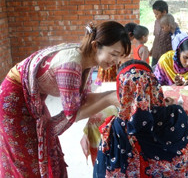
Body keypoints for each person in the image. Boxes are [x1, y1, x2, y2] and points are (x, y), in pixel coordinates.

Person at [0, 21, 131, 177]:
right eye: (114, 54)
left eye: (120, 57)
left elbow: (82, 99)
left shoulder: (86, 58)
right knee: (25, 155)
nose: (115, 62)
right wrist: (109, 99)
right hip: (13, 97)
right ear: (96, 46)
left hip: (32, 94)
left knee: (45, 148)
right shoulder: (71, 65)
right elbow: (72, 114)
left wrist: (112, 95)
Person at [93, 60, 188, 177]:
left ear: (123, 90)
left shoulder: (116, 130)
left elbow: (102, 170)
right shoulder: (177, 116)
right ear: (153, 85)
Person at [150, 0, 172, 67]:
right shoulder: (156, 22)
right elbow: (156, 38)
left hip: (165, 55)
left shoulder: (171, 23)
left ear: (164, 12)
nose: (155, 16)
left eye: (157, 14)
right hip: (155, 53)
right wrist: (152, 49)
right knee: (154, 72)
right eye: (154, 14)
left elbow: (177, 35)